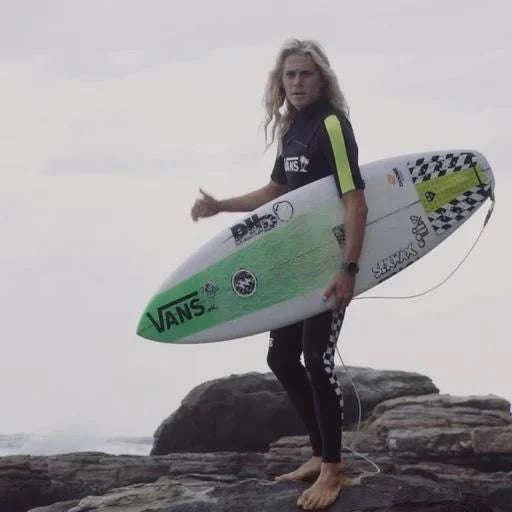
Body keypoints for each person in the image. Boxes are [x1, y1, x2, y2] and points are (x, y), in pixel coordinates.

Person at [190, 39, 367, 511]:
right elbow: (277, 190)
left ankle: (334, 468)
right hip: (294, 265)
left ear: (322, 78)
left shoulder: (331, 124)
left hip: (329, 264)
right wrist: (220, 205)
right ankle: (318, 453)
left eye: (305, 74)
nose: (297, 83)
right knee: (282, 357)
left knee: (315, 357)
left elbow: (355, 199)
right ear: (280, 81)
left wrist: (348, 269)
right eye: (290, 75)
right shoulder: (294, 128)